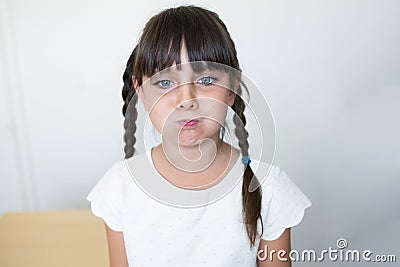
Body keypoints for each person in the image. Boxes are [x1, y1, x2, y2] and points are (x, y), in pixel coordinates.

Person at [87, 5, 311, 267]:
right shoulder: (119, 189)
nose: (186, 100)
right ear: (141, 93)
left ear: (232, 89)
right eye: (165, 83)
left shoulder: (270, 189)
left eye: (205, 80)